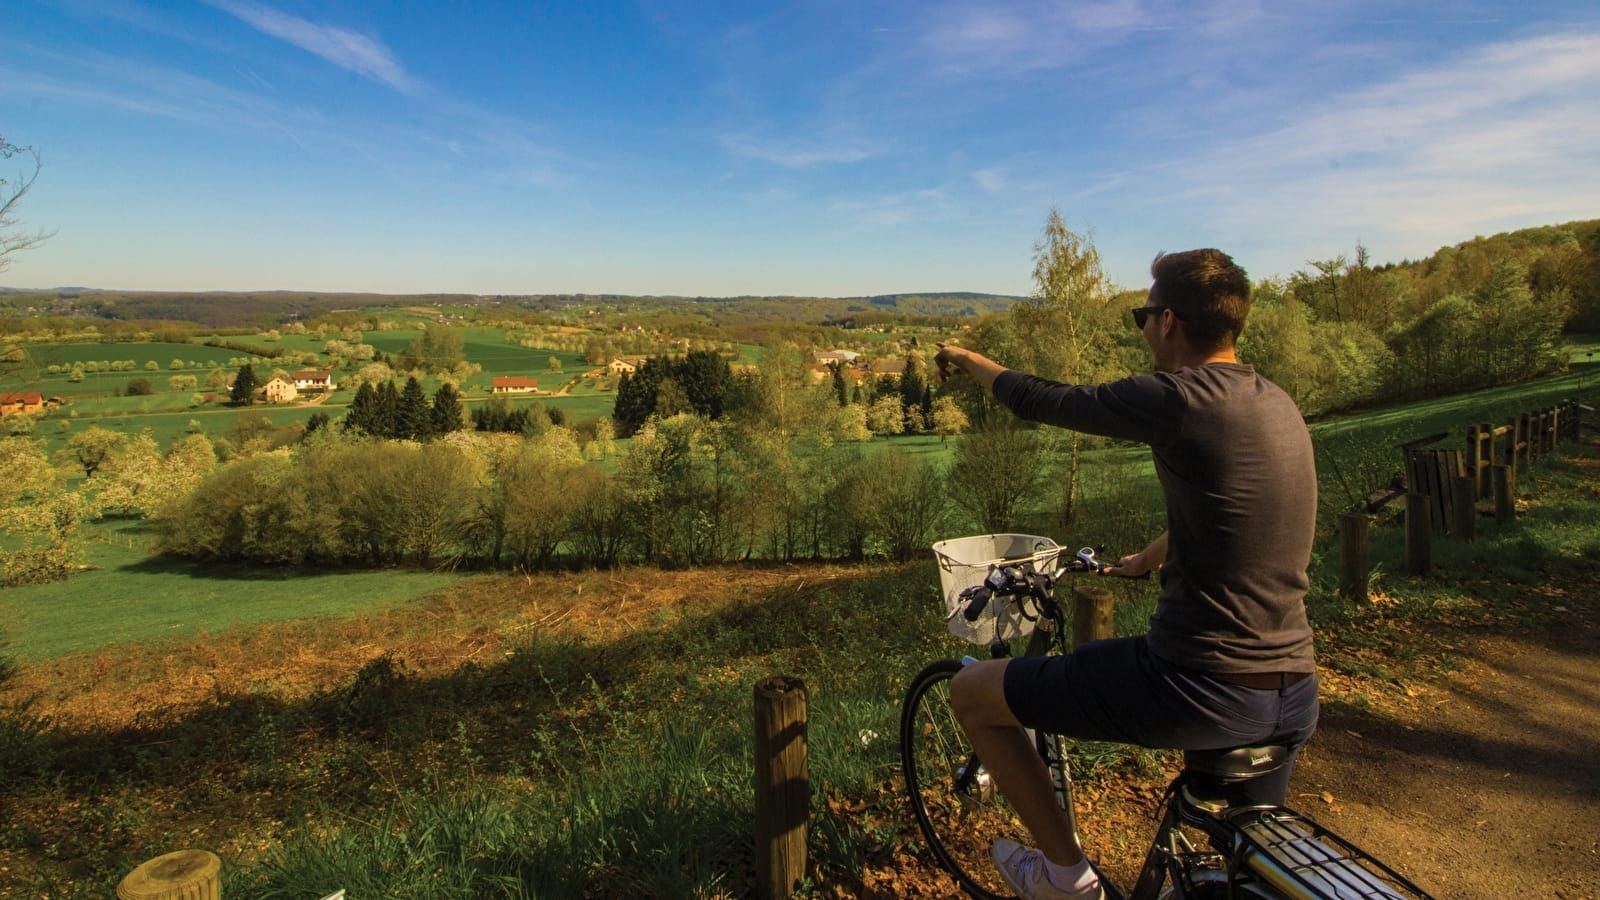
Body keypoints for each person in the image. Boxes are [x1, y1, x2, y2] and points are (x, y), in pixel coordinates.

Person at [932, 248, 1319, 900]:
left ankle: (1065, 878)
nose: (1141, 327)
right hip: (1292, 691)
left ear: (1168, 321)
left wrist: (970, 360)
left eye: (1142, 314)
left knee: (974, 695)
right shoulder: (1274, 402)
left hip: (1200, 683)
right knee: (1253, 878)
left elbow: (1041, 399)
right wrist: (1152, 555)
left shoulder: (1178, 398)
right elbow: (1242, 507)